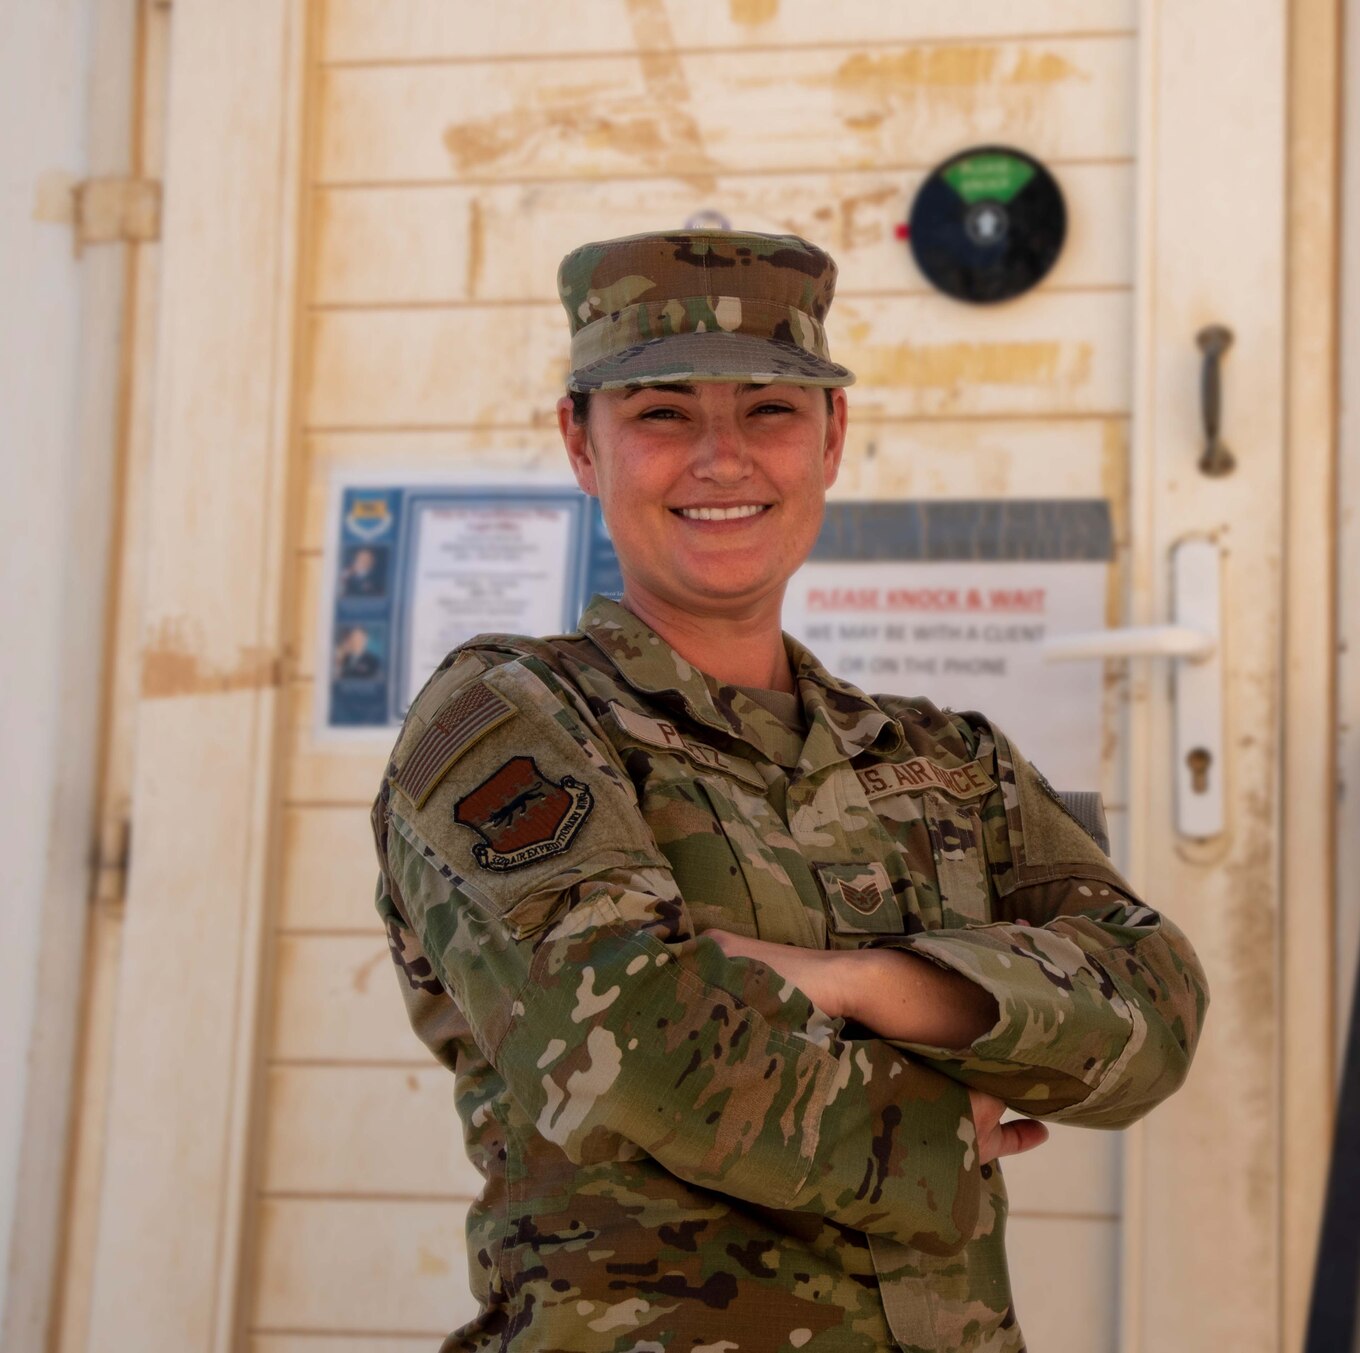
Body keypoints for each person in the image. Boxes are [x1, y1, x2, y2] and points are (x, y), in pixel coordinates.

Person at [371, 229, 1208, 1352]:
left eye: (769, 410)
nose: (723, 460)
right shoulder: (511, 721)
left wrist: (861, 980)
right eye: (661, 414)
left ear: (832, 440)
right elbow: (629, 1046)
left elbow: (1154, 1005)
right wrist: (944, 1113)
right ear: (582, 443)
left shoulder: (947, 760)